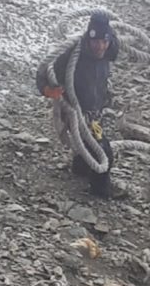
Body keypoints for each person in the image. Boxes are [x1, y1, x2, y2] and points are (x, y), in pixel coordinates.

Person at [36, 11, 119, 199]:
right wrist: (48, 90)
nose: (100, 47)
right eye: (96, 42)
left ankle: (80, 168)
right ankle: (100, 194)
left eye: (104, 42)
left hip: (95, 112)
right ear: (88, 39)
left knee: (89, 143)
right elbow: (42, 72)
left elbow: (115, 45)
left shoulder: (109, 49)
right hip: (76, 112)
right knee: (103, 152)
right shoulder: (71, 55)